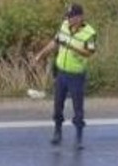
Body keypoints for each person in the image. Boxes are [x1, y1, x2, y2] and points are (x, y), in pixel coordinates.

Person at [33, 4, 97, 149]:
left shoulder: (90, 33)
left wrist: (72, 47)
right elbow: (55, 43)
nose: (68, 19)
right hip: (61, 73)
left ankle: (79, 137)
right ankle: (57, 132)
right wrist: (41, 55)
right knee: (58, 105)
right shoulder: (64, 26)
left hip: (76, 75)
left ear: (80, 17)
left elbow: (90, 52)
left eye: (71, 17)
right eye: (67, 16)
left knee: (78, 107)